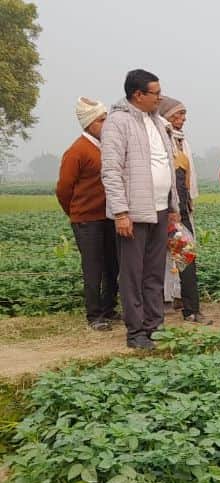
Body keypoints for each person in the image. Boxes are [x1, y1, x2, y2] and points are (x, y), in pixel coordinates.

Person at [100, 69, 180, 350]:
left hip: (160, 209)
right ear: (138, 95)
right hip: (134, 212)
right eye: (155, 93)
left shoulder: (157, 121)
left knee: (155, 272)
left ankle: (154, 324)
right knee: (133, 274)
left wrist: (173, 205)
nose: (160, 98)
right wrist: (121, 213)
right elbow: (110, 170)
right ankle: (136, 331)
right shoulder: (118, 122)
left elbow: (167, 165)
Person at [56, 97, 119, 331]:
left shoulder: (107, 146)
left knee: (113, 264)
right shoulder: (77, 151)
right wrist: (74, 212)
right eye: (102, 120)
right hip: (86, 219)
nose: (107, 124)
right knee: (93, 267)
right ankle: (94, 315)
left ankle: (109, 308)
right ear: (90, 123)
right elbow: (63, 189)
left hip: (110, 216)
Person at [159, 96, 211, 324]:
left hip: (180, 210)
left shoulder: (181, 142)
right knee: (155, 260)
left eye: (183, 115)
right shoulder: (160, 140)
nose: (182, 119)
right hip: (161, 209)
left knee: (186, 257)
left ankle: (191, 309)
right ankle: (157, 306)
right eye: (177, 115)